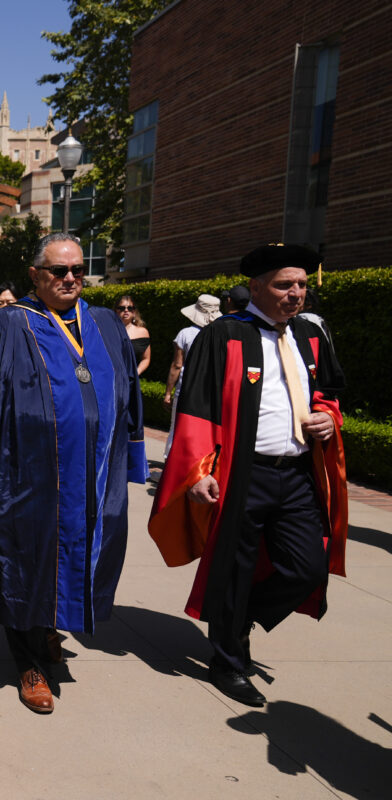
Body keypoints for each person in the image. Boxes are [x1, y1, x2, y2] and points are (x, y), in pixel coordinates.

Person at [0, 233, 148, 714]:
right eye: (58, 271)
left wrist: (130, 455)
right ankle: (27, 661)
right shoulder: (5, 325)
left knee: (78, 557)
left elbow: (129, 395)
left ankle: (49, 629)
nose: (70, 278)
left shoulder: (106, 324)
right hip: (25, 474)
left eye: (76, 270)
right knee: (24, 561)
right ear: (36, 275)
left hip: (93, 474)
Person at [149, 244, 346, 708]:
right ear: (256, 288)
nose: (296, 293)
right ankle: (228, 661)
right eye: (284, 284)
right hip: (243, 473)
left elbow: (329, 393)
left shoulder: (312, 335)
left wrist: (327, 417)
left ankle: (238, 617)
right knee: (234, 568)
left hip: (297, 472)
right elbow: (197, 407)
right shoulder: (224, 335)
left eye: (300, 284)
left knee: (307, 567)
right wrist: (197, 471)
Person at [163, 294, 220, 456]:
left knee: (177, 427)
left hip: (187, 389)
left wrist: (168, 392)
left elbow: (177, 365)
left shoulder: (185, 334)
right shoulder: (220, 333)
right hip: (210, 391)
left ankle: (171, 466)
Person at [115, 294, 151, 375]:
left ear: (134, 312)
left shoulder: (142, 332)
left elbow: (146, 359)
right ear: (115, 311)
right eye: (121, 308)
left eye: (130, 308)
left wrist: (136, 373)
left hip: (132, 379)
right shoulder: (108, 330)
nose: (126, 310)